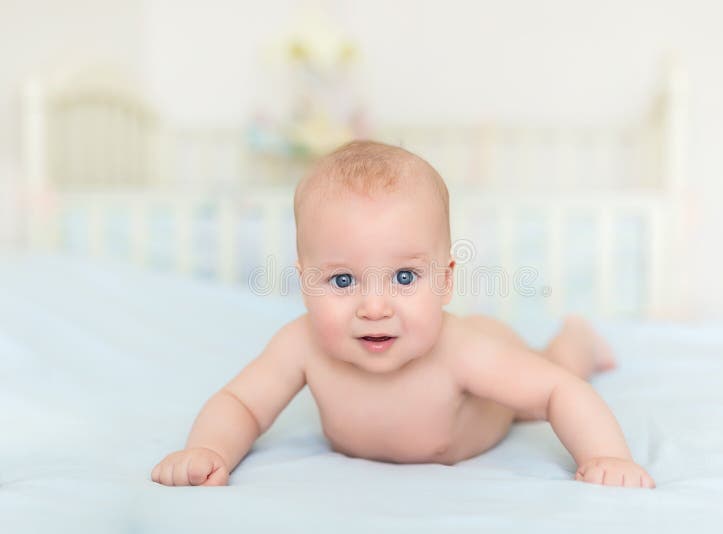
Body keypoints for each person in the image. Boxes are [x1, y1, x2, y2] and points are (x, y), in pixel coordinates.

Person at [151, 140, 656, 489]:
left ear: (445, 281)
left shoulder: (463, 353)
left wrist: (605, 457)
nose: (375, 307)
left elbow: (557, 392)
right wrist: (210, 451)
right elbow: (241, 403)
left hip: (489, 365)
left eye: (406, 277)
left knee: (553, 371)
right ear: (305, 282)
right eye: (343, 281)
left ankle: (578, 338)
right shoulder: (301, 345)